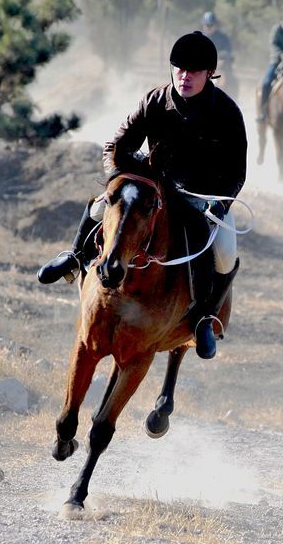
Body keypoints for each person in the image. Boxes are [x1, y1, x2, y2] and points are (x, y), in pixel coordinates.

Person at [38, 31, 248, 360]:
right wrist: (115, 181)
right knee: (99, 208)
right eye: (179, 69)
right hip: (154, 188)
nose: (185, 76)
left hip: (202, 198)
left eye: (193, 72)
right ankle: (75, 257)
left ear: (209, 74)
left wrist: (219, 205)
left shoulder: (227, 113)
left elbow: (237, 171)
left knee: (224, 251)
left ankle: (204, 318)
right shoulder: (155, 100)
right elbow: (116, 146)